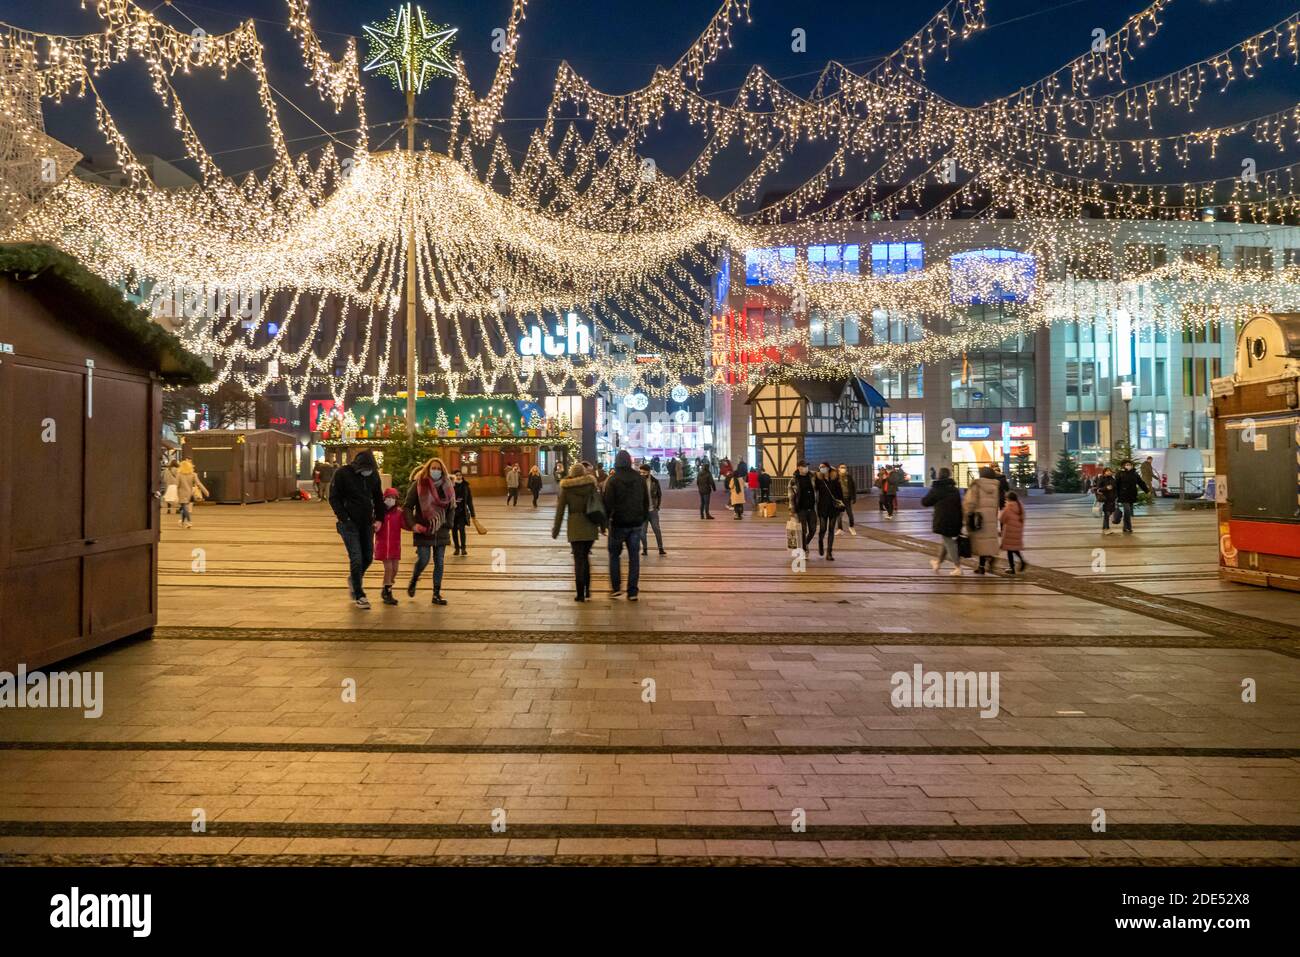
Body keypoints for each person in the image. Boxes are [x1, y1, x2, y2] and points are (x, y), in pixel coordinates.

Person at [328, 449, 384, 608]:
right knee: (356, 558)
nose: (367, 472)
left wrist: (379, 518)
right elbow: (333, 497)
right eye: (365, 470)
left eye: (370, 469)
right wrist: (344, 518)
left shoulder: (373, 475)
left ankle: (354, 579)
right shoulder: (343, 473)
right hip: (349, 524)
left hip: (367, 522)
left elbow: (378, 498)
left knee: (367, 557)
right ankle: (359, 594)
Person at [404, 457, 454, 606]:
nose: (436, 471)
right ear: (428, 469)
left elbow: (451, 507)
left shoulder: (447, 485)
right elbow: (407, 507)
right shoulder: (418, 484)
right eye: (433, 468)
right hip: (424, 528)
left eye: (439, 469)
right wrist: (413, 524)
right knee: (424, 559)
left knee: (439, 562)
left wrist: (449, 523)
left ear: (443, 470)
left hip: (442, 529)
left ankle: (436, 594)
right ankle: (414, 578)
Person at [553, 461, 605, 601]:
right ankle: (588, 590)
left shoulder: (567, 488)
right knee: (585, 558)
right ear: (583, 472)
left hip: (575, 527)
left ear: (571, 473)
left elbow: (560, 511)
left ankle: (580, 594)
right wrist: (603, 525)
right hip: (590, 526)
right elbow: (598, 505)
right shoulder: (591, 486)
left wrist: (556, 530)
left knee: (578, 560)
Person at [602, 449, 650, 600]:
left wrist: (604, 523)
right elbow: (645, 501)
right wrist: (643, 518)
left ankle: (616, 588)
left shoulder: (613, 480)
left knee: (614, 556)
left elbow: (607, 503)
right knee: (634, 558)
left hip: (617, 524)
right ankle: (632, 591)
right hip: (636, 524)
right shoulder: (639, 479)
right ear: (629, 461)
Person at [923, 467, 964, 576]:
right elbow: (959, 506)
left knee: (949, 542)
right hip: (955, 518)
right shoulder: (954, 489)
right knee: (946, 540)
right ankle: (938, 562)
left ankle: (957, 567)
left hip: (943, 519)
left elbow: (925, 502)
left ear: (939, 475)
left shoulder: (937, 488)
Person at [963, 466, 1002, 574]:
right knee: (985, 542)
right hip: (990, 518)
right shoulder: (995, 486)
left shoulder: (977, 485)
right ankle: (983, 564)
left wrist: (967, 512)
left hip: (977, 518)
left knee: (980, 542)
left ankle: (986, 562)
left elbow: (971, 502)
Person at [374, 486, 405, 606]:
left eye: (393, 497)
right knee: (389, 568)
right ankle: (388, 591)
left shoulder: (399, 512)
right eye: (388, 497)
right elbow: (374, 524)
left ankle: (387, 586)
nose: (390, 499)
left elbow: (405, 524)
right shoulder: (379, 512)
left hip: (394, 545)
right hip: (382, 545)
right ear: (384, 498)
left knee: (395, 569)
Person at [814, 463, 845, 559]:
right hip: (822, 508)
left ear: (828, 468)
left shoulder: (835, 480)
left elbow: (840, 494)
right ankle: (820, 542)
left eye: (823, 467)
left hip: (833, 508)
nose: (821, 469)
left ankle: (829, 552)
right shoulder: (819, 480)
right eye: (820, 467)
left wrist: (841, 506)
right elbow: (814, 489)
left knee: (831, 529)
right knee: (823, 528)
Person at [638, 463, 666, 556]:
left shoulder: (654, 481)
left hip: (653, 510)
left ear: (649, 472)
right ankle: (645, 549)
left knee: (656, 529)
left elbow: (659, 494)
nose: (642, 474)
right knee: (642, 532)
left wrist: (657, 506)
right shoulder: (637, 482)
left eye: (644, 472)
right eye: (640, 472)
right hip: (642, 511)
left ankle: (660, 548)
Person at [1114, 459, 1149, 534]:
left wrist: (1147, 491)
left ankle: (1125, 527)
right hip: (1123, 495)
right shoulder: (1119, 473)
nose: (1128, 466)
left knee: (1128, 512)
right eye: (1126, 464)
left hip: (1132, 495)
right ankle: (1129, 527)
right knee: (1127, 510)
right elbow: (1116, 485)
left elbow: (1141, 483)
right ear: (1123, 465)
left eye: (1130, 464)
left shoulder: (1135, 474)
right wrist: (1115, 495)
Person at [790, 461, 818, 552]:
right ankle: (804, 549)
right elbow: (791, 496)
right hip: (801, 509)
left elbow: (824, 472)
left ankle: (804, 544)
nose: (806, 468)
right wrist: (792, 510)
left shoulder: (812, 476)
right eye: (804, 466)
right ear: (799, 467)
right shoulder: (794, 480)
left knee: (813, 530)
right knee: (803, 530)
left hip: (812, 508)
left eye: (807, 466)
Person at [175, 458, 209, 530]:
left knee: (184, 507)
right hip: (189, 493)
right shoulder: (193, 474)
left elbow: (177, 485)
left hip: (181, 493)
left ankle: (189, 522)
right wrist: (205, 491)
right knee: (184, 507)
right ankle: (182, 522)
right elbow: (198, 484)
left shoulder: (179, 474)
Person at [1000, 490, 1027, 574]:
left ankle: (1012, 568)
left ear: (1008, 499)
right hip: (1018, 531)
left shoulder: (1008, 507)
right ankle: (1022, 561)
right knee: (1014, 548)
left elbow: (1002, 519)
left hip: (1009, 531)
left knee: (1009, 550)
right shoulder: (1020, 506)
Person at [450, 468, 476, 556]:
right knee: (454, 531)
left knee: (462, 530)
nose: (458, 476)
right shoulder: (450, 486)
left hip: (462, 512)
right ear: (454, 476)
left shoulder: (466, 486)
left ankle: (463, 548)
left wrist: (473, 514)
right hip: (453, 512)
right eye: (456, 475)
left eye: (460, 475)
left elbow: (469, 501)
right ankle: (457, 548)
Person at [1095, 467, 1118, 534]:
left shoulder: (1112, 479)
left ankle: (1104, 528)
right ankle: (1106, 528)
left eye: (1110, 471)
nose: (1109, 472)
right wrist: (1106, 488)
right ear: (1104, 472)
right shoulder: (1101, 478)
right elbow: (1098, 488)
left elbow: (1115, 488)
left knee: (1109, 514)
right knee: (1107, 514)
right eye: (1107, 471)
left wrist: (1116, 496)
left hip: (1112, 499)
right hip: (1105, 499)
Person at [837, 463, 858, 536]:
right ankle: (840, 529)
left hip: (847, 499)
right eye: (841, 467)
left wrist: (854, 498)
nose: (843, 469)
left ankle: (851, 527)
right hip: (840, 499)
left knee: (850, 514)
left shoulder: (849, 477)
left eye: (844, 467)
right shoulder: (836, 477)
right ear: (838, 468)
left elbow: (853, 488)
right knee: (839, 515)